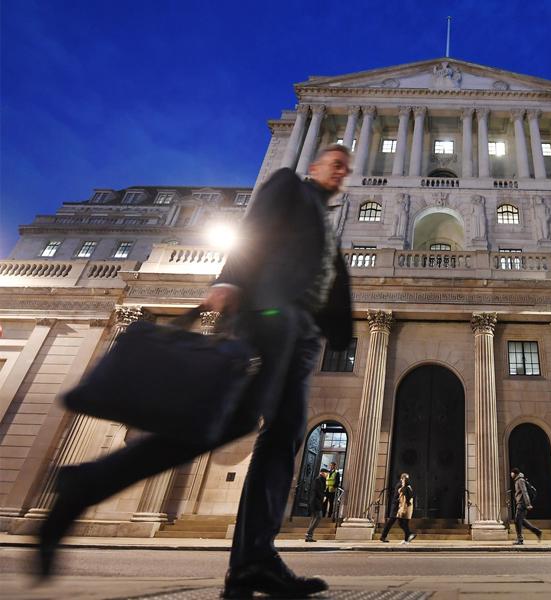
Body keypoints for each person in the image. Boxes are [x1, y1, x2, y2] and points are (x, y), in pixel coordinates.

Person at [37, 144, 354, 598]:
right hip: (271, 317)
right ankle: (86, 483)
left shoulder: (326, 218)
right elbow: (256, 227)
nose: (341, 172)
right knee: (234, 422)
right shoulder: (289, 185)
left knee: (280, 437)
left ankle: (252, 561)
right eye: (335, 164)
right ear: (316, 165)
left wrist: (338, 331)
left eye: (346, 168)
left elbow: (330, 276)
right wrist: (230, 278)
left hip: (302, 335)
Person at [379, 472, 417, 544]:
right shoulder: (400, 485)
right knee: (393, 522)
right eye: (406, 478)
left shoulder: (403, 485)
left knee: (400, 522)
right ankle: (408, 534)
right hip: (397, 507)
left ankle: (407, 536)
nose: (408, 480)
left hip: (399, 506)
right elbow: (400, 496)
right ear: (402, 478)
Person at [510, 468, 542, 545]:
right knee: (521, 520)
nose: (511, 474)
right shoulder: (517, 480)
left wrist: (528, 504)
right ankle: (537, 531)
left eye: (512, 473)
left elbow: (524, 492)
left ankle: (520, 539)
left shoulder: (520, 480)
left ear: (515, 473)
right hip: (520, 502)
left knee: (517, 521)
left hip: (522, 503)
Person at [305, 468, 328, 542]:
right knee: (318, 517)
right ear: (322, 473)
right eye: (326, 473)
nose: (327, 474)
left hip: (317, 501)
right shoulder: (318, 480)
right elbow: (317, 491)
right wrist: (323, 497)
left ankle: (309, 536)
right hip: (315, 502)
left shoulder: (322, 480)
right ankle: (308, 533)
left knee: (314, 518)